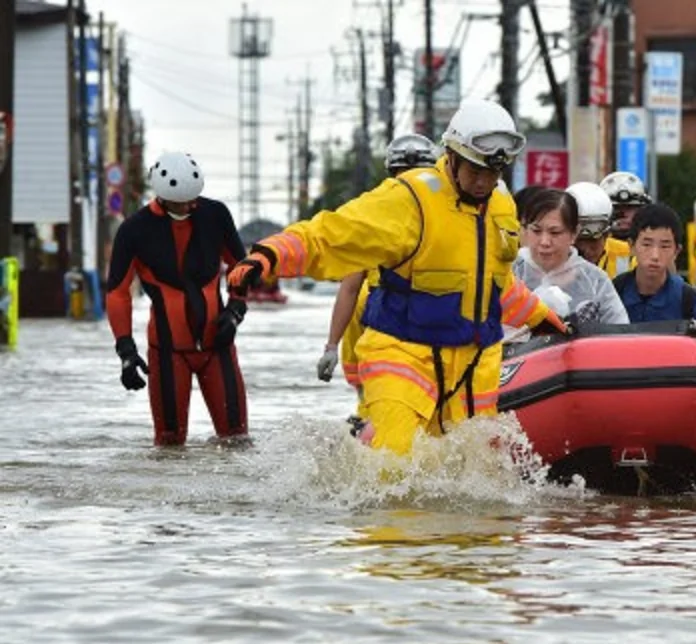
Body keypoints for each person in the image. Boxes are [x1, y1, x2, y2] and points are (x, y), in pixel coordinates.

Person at [227, 99, 571, 456]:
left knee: (476, 474)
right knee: (396, 467)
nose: (484, 181)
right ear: (451, 155)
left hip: (472, 367)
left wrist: (541, 319)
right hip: (403, 356)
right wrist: (268, 255)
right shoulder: (409, 199)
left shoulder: (501, 206)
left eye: (494, 172)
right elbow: (332, 234)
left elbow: (494, 284)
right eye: (475, 170)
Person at [106, 151, 249, 446]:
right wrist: (126, 351)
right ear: (161, 195)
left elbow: (241, 266)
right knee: (169, 445)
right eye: (178, 202)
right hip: (168, 351)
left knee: (237, 440)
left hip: (218, 345)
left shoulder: (215, 215)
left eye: (191, 200)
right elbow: (118, 293)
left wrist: (235, 310)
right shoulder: (134, 230)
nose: (186, 206)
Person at [316, 133, 439, 422]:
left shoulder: (450, 213)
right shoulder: (376, 217)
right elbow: (350, 287)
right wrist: (331, 346)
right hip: (382, 320)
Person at [510, 187, 628, 337]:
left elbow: (620, 334)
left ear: (574, 234)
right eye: (536, 231)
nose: (545, 242)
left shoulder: (596, 281)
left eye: (555, 233)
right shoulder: (508, 274)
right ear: (524, 230)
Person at [614, 203, 696, 325]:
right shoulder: (613, 295)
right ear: (631, 246)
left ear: (676, 251)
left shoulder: (690, 302)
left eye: (665, 246)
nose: (655, 255)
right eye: (646, 244)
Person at [569, 180, 634, 278]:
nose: (585, 249)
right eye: (578, 241)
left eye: (593, 240)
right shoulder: (548, 255)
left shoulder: (629, 254)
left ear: (607, 234)